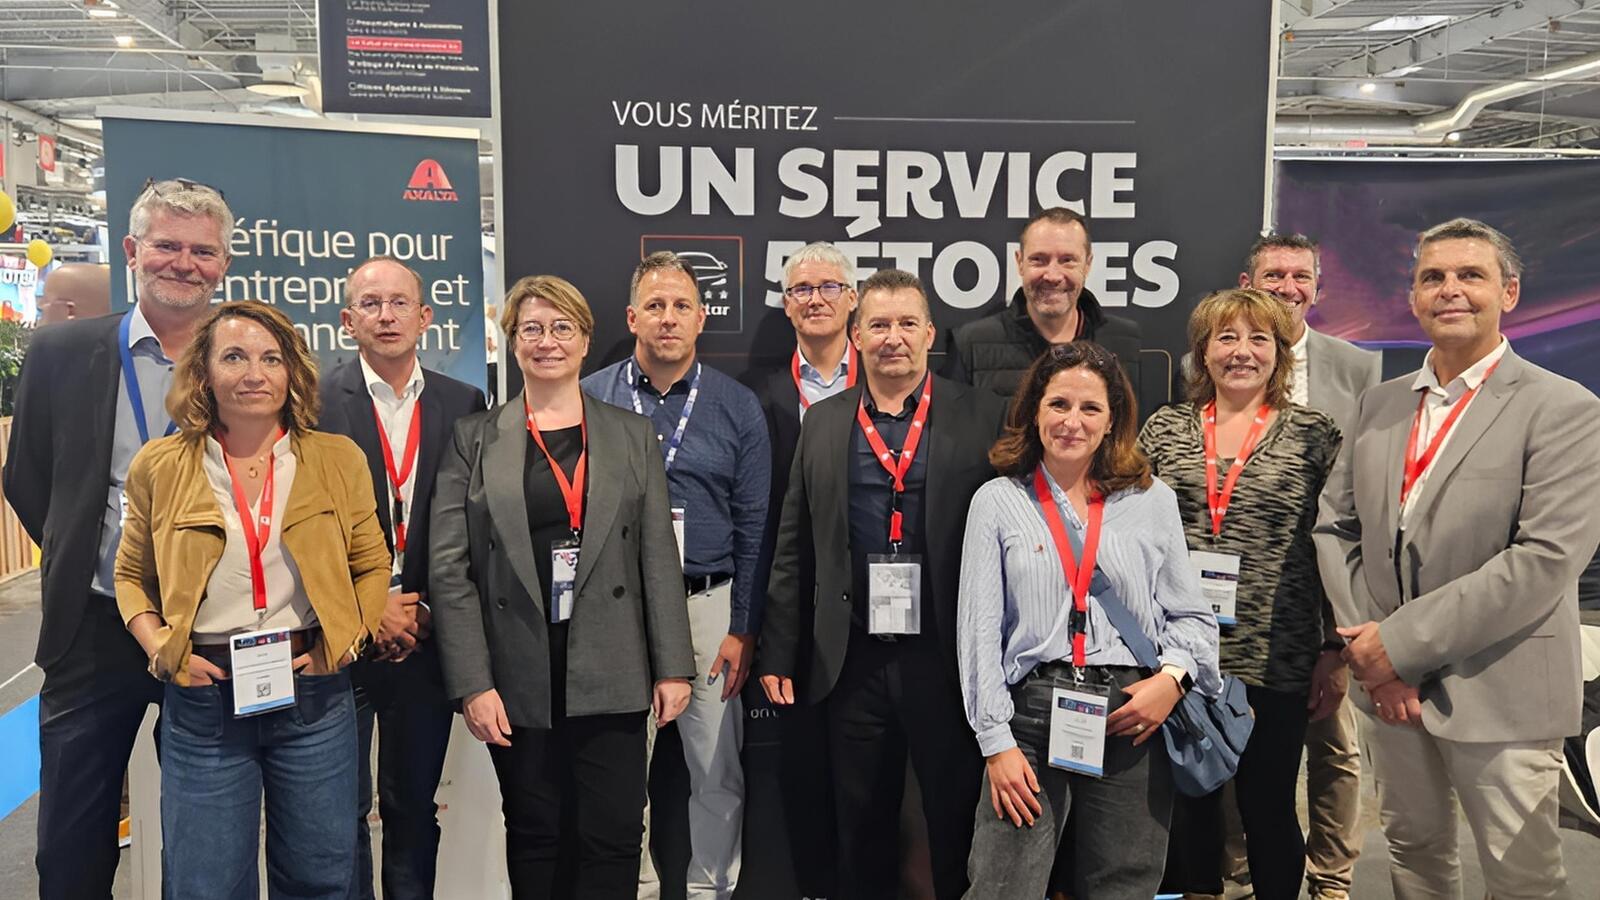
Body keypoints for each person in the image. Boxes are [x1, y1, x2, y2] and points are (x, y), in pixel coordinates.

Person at [1315, 218, 1600, 900]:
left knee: (1522, 876)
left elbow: (1543, 560)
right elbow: (1335, 528)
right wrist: (1372, 654)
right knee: (1414, 857)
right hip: (1390, 694)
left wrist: (1396, 647)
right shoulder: (1379, 405)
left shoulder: (1565, 408)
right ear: (1413, 297)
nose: (1450, 290)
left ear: (1510, 292)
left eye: (1471, 275)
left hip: (1501, 689)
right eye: (1432, 277)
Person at [429, 274, 695, 899]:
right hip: (518, 670)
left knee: (613, 836)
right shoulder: (475, 438)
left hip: (613, 665)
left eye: (561, 328)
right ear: (512, 342)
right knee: (535, 833)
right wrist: (472, 683)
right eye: (532, 329)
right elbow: (449, 570)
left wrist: (673, 667)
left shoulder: (630, 434)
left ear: (584, 340)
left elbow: (658, 555)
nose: (546, 341)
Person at [3, 178, 233, 899]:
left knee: (209, 832)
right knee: (72, 839)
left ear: (223, 264)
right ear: (132, 250)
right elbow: (28, 477)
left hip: (212, 627)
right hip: (94, 626)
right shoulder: (63, 351)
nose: (184, 263)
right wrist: (84, 553)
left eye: (203, 251)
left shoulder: (248, 358)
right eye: (167, 245)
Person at [115, 300, 391, 898]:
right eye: (234, 357)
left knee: (322, 876)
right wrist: (160, 646)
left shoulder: (337, 459)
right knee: (206, 883)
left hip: (314, 694)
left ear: (292, 372)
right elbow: (131, 575)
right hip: (204, 699)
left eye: (271, 358)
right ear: (204, 372)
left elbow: (372, 564)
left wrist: (346, 644)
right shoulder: (160, 466)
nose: (254, 374)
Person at [757, 268, 1008, 899]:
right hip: (851, 658)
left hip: (945, 658)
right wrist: (780, 649)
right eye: (878, 325)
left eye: (906, 324)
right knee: (860, 823)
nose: (892, 337)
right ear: (857, 335)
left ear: (930, 334)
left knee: (954, 819)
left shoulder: (983, 415)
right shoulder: (823, 421)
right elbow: (794, 543)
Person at [958, 340, 1221, 900]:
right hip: (1030, 714)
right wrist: (996, 742)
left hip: (1133, 712)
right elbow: (978, 631)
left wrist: (1172, 681)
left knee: (1124, 886)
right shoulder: (997, 500)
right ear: (1034, 410)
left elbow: (1192, 616)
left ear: (1112, 420)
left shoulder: (1152, 500)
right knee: (1003, 886)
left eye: (1090, 408)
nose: (1071, 421)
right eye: (1058, 404)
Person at [1140, 289, 1344, 900]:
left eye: (1259, 339)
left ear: (1280, 353)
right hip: (1180, 651)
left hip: (1277, 651)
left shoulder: (1314, 434)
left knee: (1269, 805)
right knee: (1190, 804)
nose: (1242, 352)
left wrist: (1333, 649)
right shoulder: (1165, 428)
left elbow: (1336, 546)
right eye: (1225, 338)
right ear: (1202, 352)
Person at [582, 251, 770, 900]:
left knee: (716, 770)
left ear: (701, 318)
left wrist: (742, 627)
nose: (668, 317)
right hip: (618, 607)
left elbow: (754, 524)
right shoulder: (591, 397)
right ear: (632, 317)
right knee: (617, 774)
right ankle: (631, 888)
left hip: (707, 603)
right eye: (655, 305)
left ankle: (709, 891)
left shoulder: (737, 406)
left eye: (681, 306)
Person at [318, 255, 486, 900]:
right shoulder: (314, 402)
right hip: (340, 640)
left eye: (399, 303)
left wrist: (426, 610)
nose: (385, 316)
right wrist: (370, 608)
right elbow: (306, 528)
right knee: (340, 811)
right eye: (370, 303)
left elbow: (473, 525)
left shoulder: (463, 403)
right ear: (347, 320)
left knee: (413, 807)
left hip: (425, 636)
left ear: (425, 317)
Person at [739, 240, 859, 899]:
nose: (816, 299)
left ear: (852, 299)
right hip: (794, 601)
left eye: (829, 287)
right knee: (805, 767)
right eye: (802, 290)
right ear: (786, 306)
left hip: (872, 602)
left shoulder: (888, 379)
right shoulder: (756, 395)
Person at [943, 207, 1145, 409]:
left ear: (1087, 264)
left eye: (1067, 260)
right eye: (1039, 260)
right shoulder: (970, 344)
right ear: (1020, 262)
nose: (1053, 276)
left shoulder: (1124, 341)